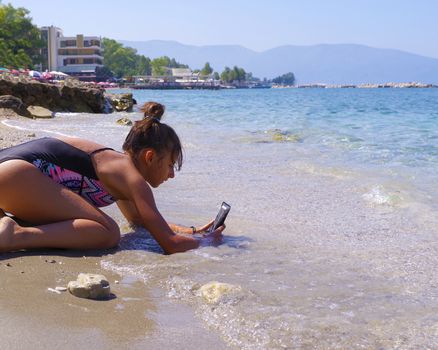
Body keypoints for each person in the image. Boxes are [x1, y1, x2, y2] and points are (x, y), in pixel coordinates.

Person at [0, 113, 224, 254]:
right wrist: (208, 243)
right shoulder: (133, 178)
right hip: (16, 174)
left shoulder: (120, 170)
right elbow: (170, 244)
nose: (171, 175)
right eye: (170, 165)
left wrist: (192, 231)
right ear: (150, 157)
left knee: (91, 226)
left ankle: (11, 223)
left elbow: (140, 221)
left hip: (11, 174)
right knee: (108, 233)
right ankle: (15, 235)